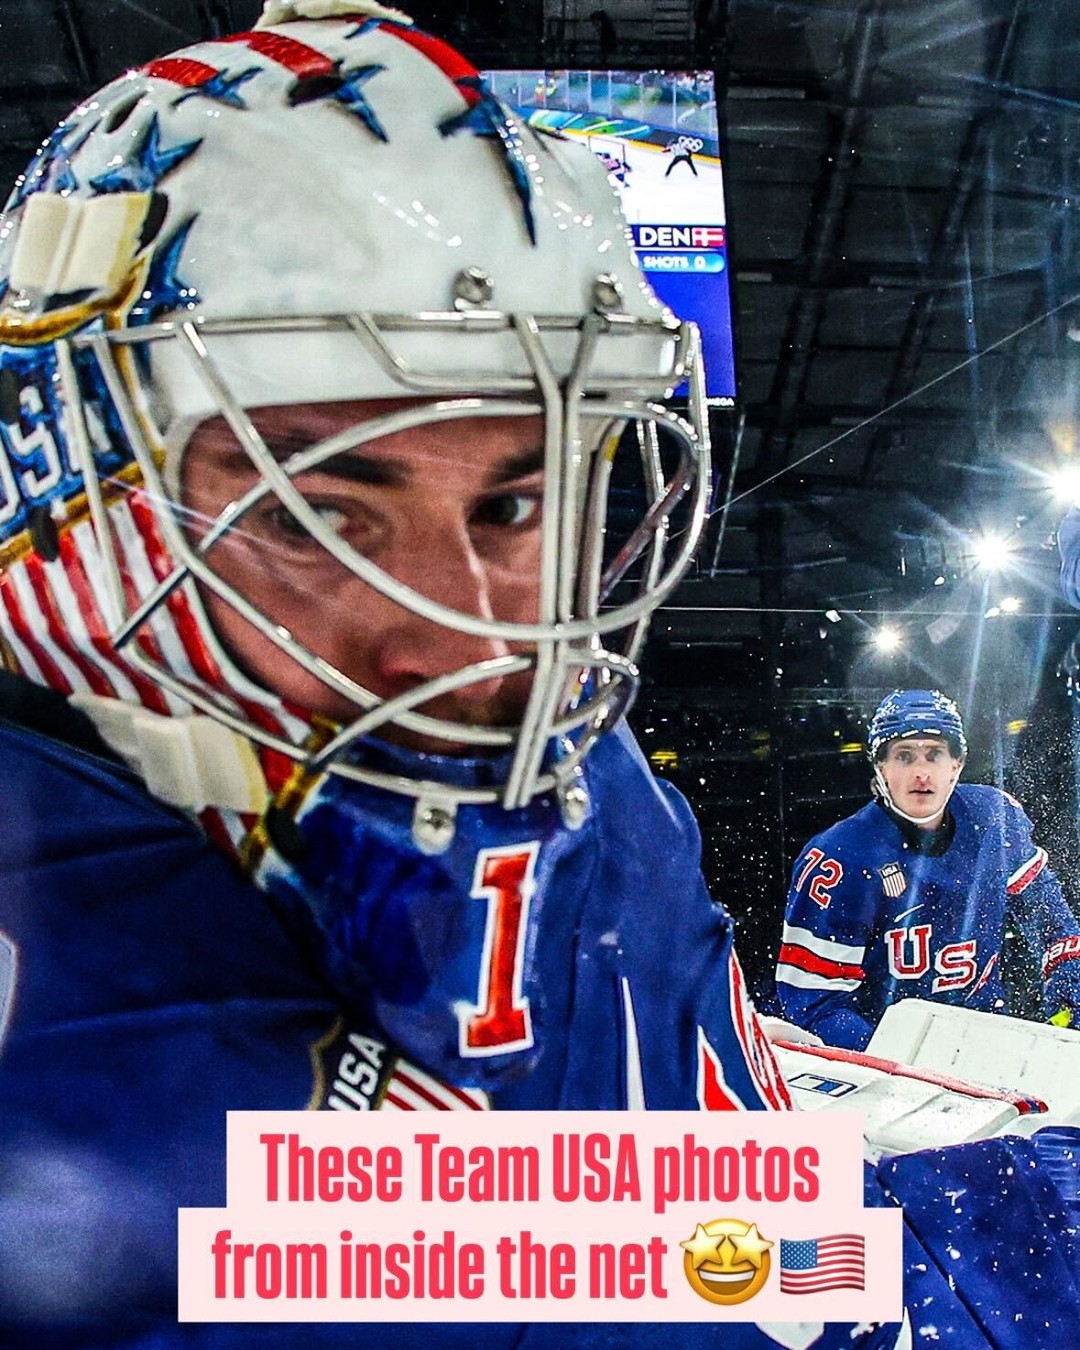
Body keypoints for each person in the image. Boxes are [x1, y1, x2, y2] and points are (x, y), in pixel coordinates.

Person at [0, 5, 1075, 1346]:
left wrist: (893, 1265)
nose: (471, 643)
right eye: (322, 510)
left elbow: (703, 1232)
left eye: (514, 503)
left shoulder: (573, 740)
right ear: (77, 494)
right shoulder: (73, 976)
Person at [776, 688, 1080, 1050]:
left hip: (985, 1040)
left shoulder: (993, 819)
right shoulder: (839, 858)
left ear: (956, 764)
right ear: (881, 767)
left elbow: (1049, 919)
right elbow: (815, 1003)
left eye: (934, 754)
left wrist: (1067, 973)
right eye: (904, 756)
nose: (921, 773)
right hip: (886, 1059)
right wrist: (898, 1064)